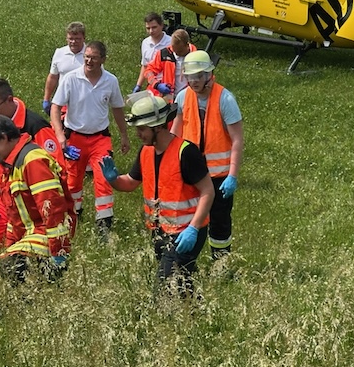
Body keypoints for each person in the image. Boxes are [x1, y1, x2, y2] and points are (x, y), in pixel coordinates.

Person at [100, 96, 214, 296]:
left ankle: (173, 312)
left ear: (159, 127)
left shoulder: (186, 153)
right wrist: (114, 180)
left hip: (185, 233)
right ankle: (194, 310)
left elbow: (208, 191)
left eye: (142, 129)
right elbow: (130, 182)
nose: (138, 134)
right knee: (182, 285)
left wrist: (193, 228)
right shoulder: (146, 151)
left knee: (163, 290)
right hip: (159, 231)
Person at [50, 40, 131, 235]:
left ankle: (104, 224)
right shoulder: (71, 78)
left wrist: (124, 135)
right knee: (73, 180)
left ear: (103, 59)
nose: (89, 61)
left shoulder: (110, 81)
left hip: (100, 139)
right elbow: (55, 107)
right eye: (86, 57)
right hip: (75, 139)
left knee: (104, 178)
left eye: (94, 58)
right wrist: (60, 135)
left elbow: (117, 109)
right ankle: (74, 215)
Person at [171, 50, 243, 260]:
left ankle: (221, 263)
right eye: (190, 76)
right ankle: (186, 262)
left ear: (208, 75)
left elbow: (237, 139)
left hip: (219, 177)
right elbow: (175, 134)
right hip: (192, 174)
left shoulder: (225, 99)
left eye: (198, 76)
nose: (193, 81)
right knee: (189, 219)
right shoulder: (183, 97)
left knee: (219, 222)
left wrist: (232, 175)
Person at [0, 115, 75, 283]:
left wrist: (58, 250)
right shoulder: (13, 164)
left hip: (46, 236)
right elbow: (15, 216)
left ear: (4, 138)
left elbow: (53, 209)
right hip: (32, 236)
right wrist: (11, 247)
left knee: (0, 278)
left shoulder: (32, 160)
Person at [43, 21, 86, 115]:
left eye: (77, 39)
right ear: (66, 38)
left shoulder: (90, 55)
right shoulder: (59, 53)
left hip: (84, 104)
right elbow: (53, 77)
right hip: (63, 103)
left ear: (84, 38)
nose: (73, 42)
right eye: (71, 39)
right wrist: (46, 99)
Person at [144, 29, 196, 100]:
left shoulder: (196, 56)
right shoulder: (164, 54)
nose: (176, 54)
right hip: (169, 98)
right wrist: (157, 84)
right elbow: (149, 71)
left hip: (189, 97)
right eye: (174, 50)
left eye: (180, 51)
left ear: (187, 45)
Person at [133, 13, 171, 93]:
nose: (151, 31)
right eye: (148, 28)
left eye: (154, 27)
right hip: (152, 85)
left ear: (162, 26)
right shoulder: (145, 43)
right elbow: (145, 66)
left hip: (168, 86)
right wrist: (138, 85)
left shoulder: (170, 43)